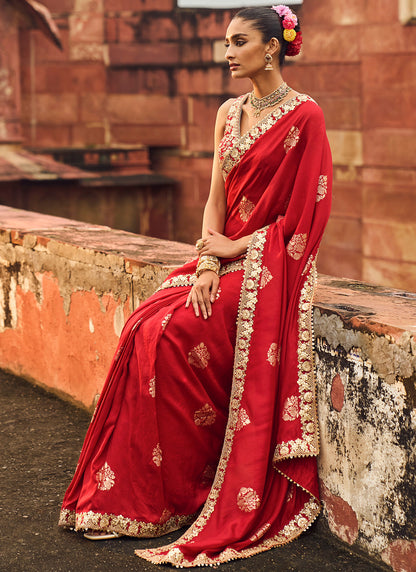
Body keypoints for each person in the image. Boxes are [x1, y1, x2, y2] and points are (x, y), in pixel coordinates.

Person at [59, 4, 332, 568]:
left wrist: (241, 249)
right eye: (224, 42)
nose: (227, 52)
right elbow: (215, 197)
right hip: (220, 259)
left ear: (272, 47)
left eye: (237, 41)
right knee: (142, 328)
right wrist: (209, 258)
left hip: (267, 269)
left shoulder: (307, 118)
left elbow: (308, 216)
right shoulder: (228, 114)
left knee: (172, 334)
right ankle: (138, 495)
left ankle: (180, 494)